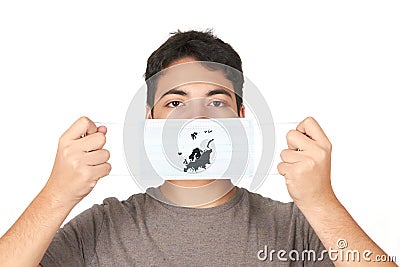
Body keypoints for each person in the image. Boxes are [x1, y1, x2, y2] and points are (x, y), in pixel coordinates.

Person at [0, 30, 396, 266]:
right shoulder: (102, 227)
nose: (197, 118)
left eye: (217, 100)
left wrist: (321, 201)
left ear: (241, 116)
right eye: (175, 102)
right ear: (150, 119)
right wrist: (57, 193)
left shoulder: (293, 228)